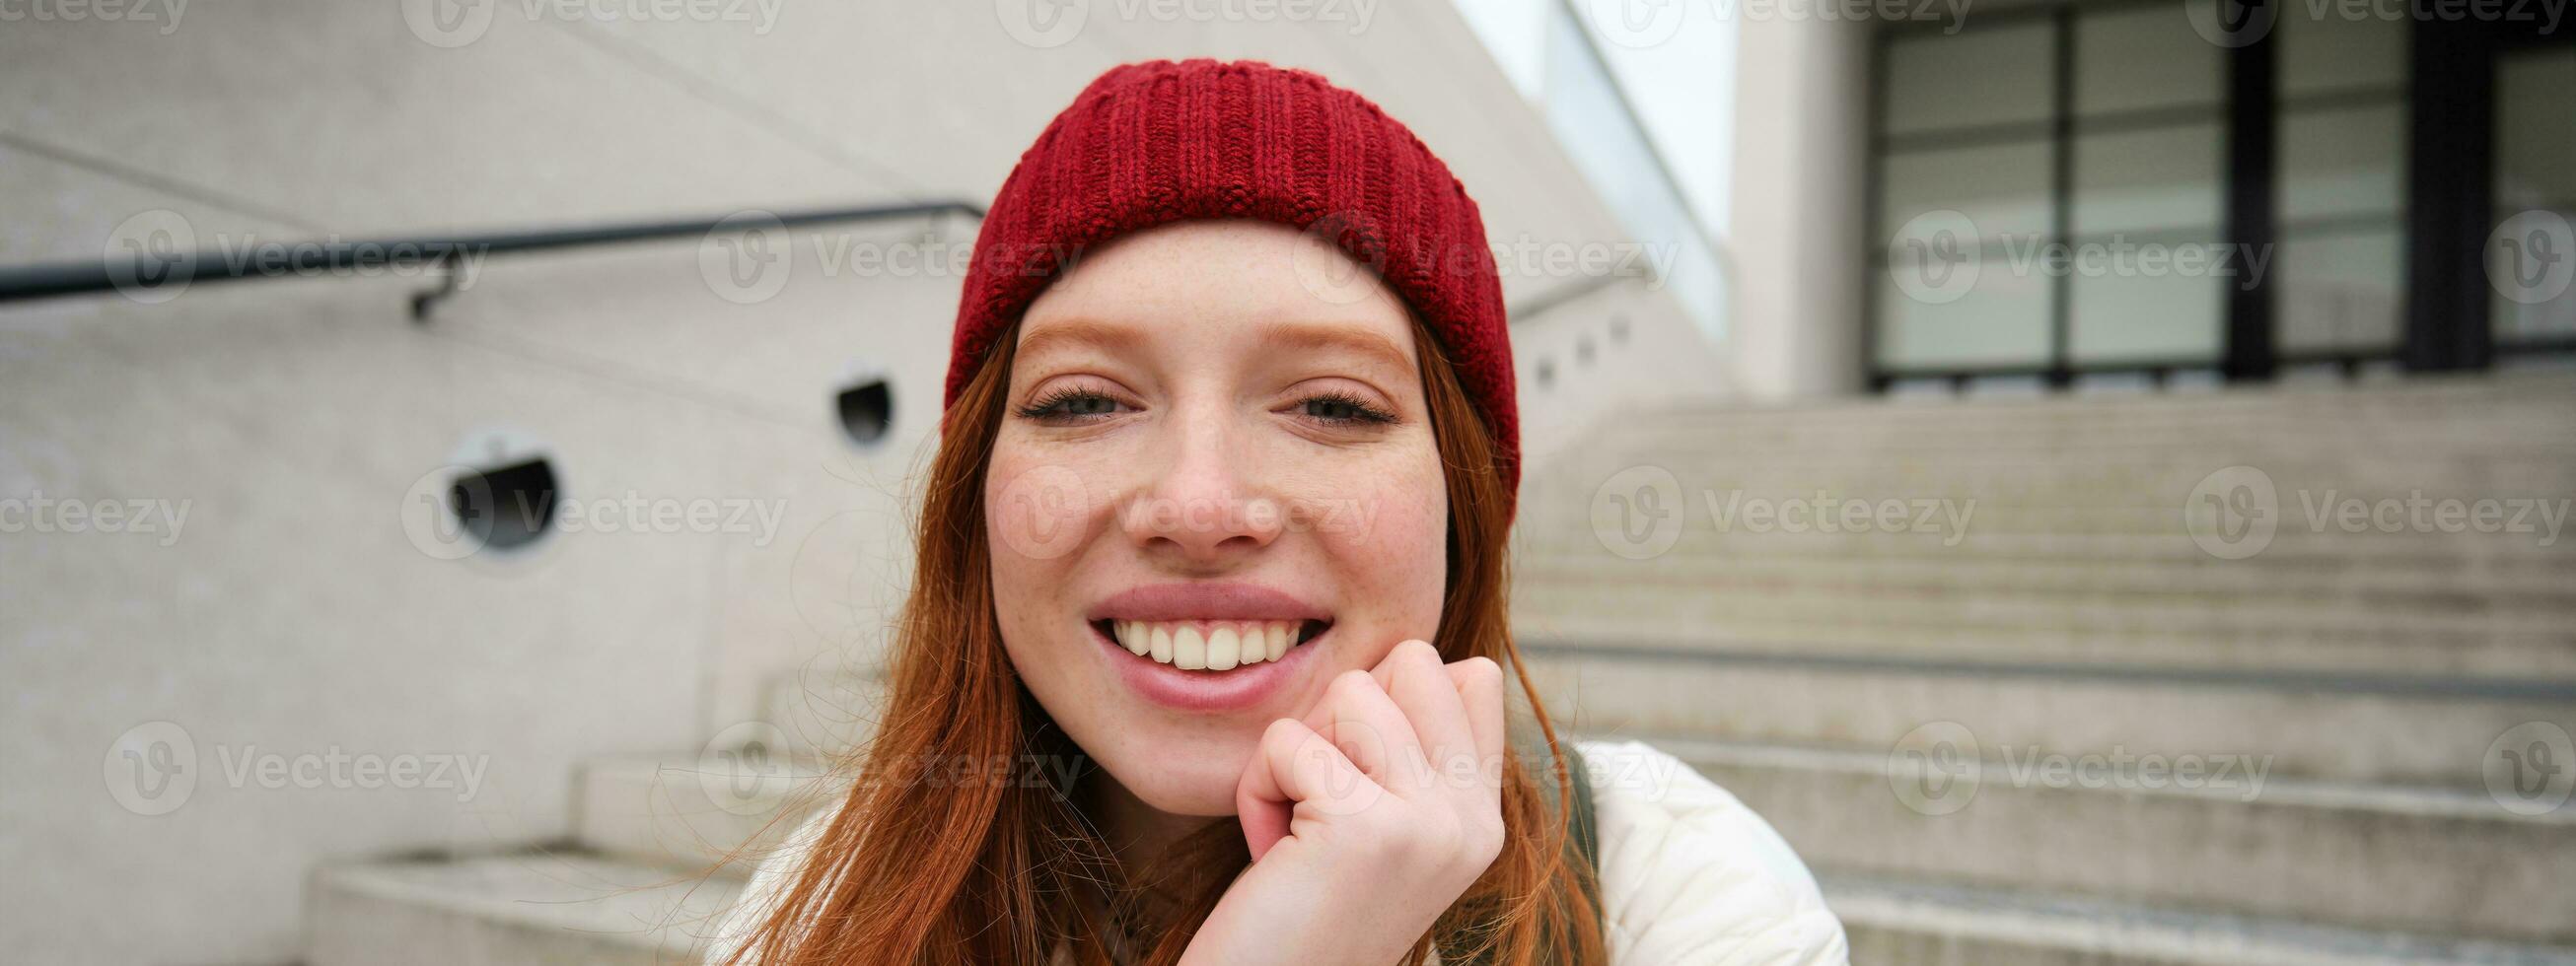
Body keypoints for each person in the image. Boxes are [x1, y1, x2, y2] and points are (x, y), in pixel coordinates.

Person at [708, 58, 1846, 965]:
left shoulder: (1681, 893)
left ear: (1464, 499)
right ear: (974, 497)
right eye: (1086, 398)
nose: (1197, 505)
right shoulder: (818, 906)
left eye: (1333, 405)